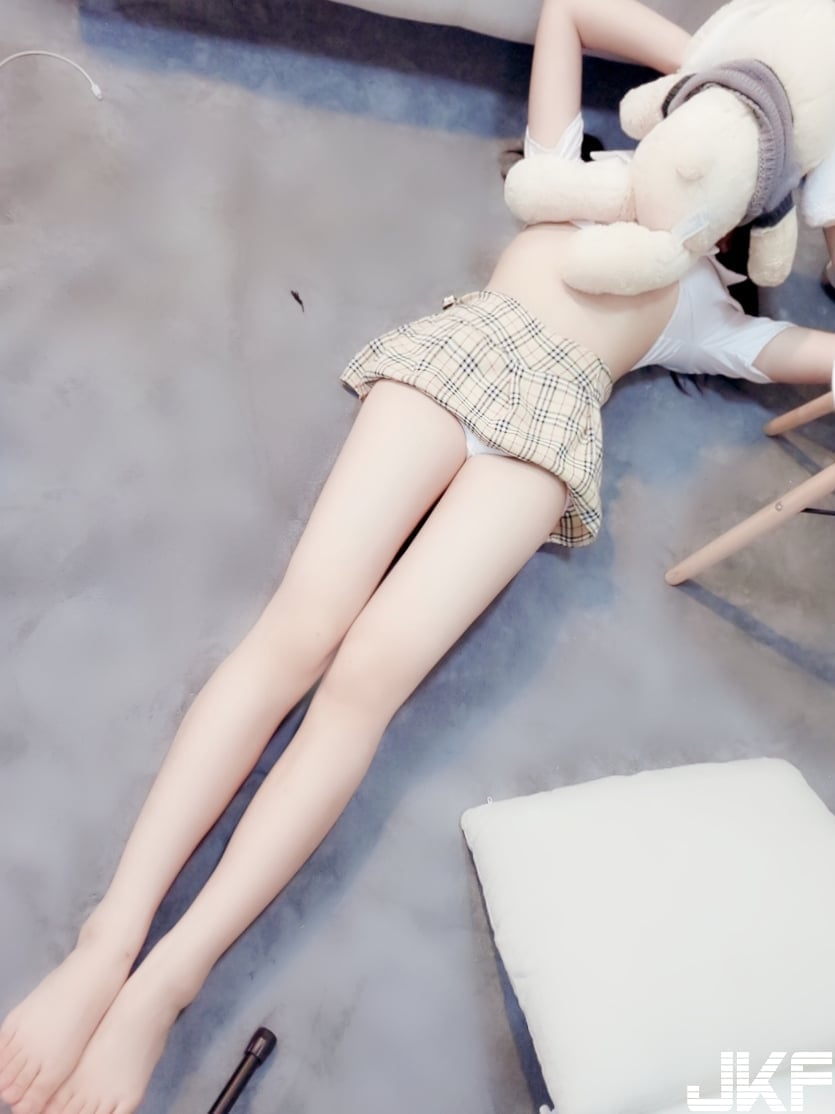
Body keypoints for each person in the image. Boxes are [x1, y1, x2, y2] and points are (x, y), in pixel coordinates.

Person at [1, 2, 833, 1113]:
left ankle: (167, 980)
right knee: (299, 631)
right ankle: (108, 940)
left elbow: (808, 353)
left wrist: (779, 170)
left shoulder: (708, 310)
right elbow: (568, 11)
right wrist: (733, 90)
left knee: (365, 684)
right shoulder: (570, 176)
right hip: (455, 363)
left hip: (544, 439)